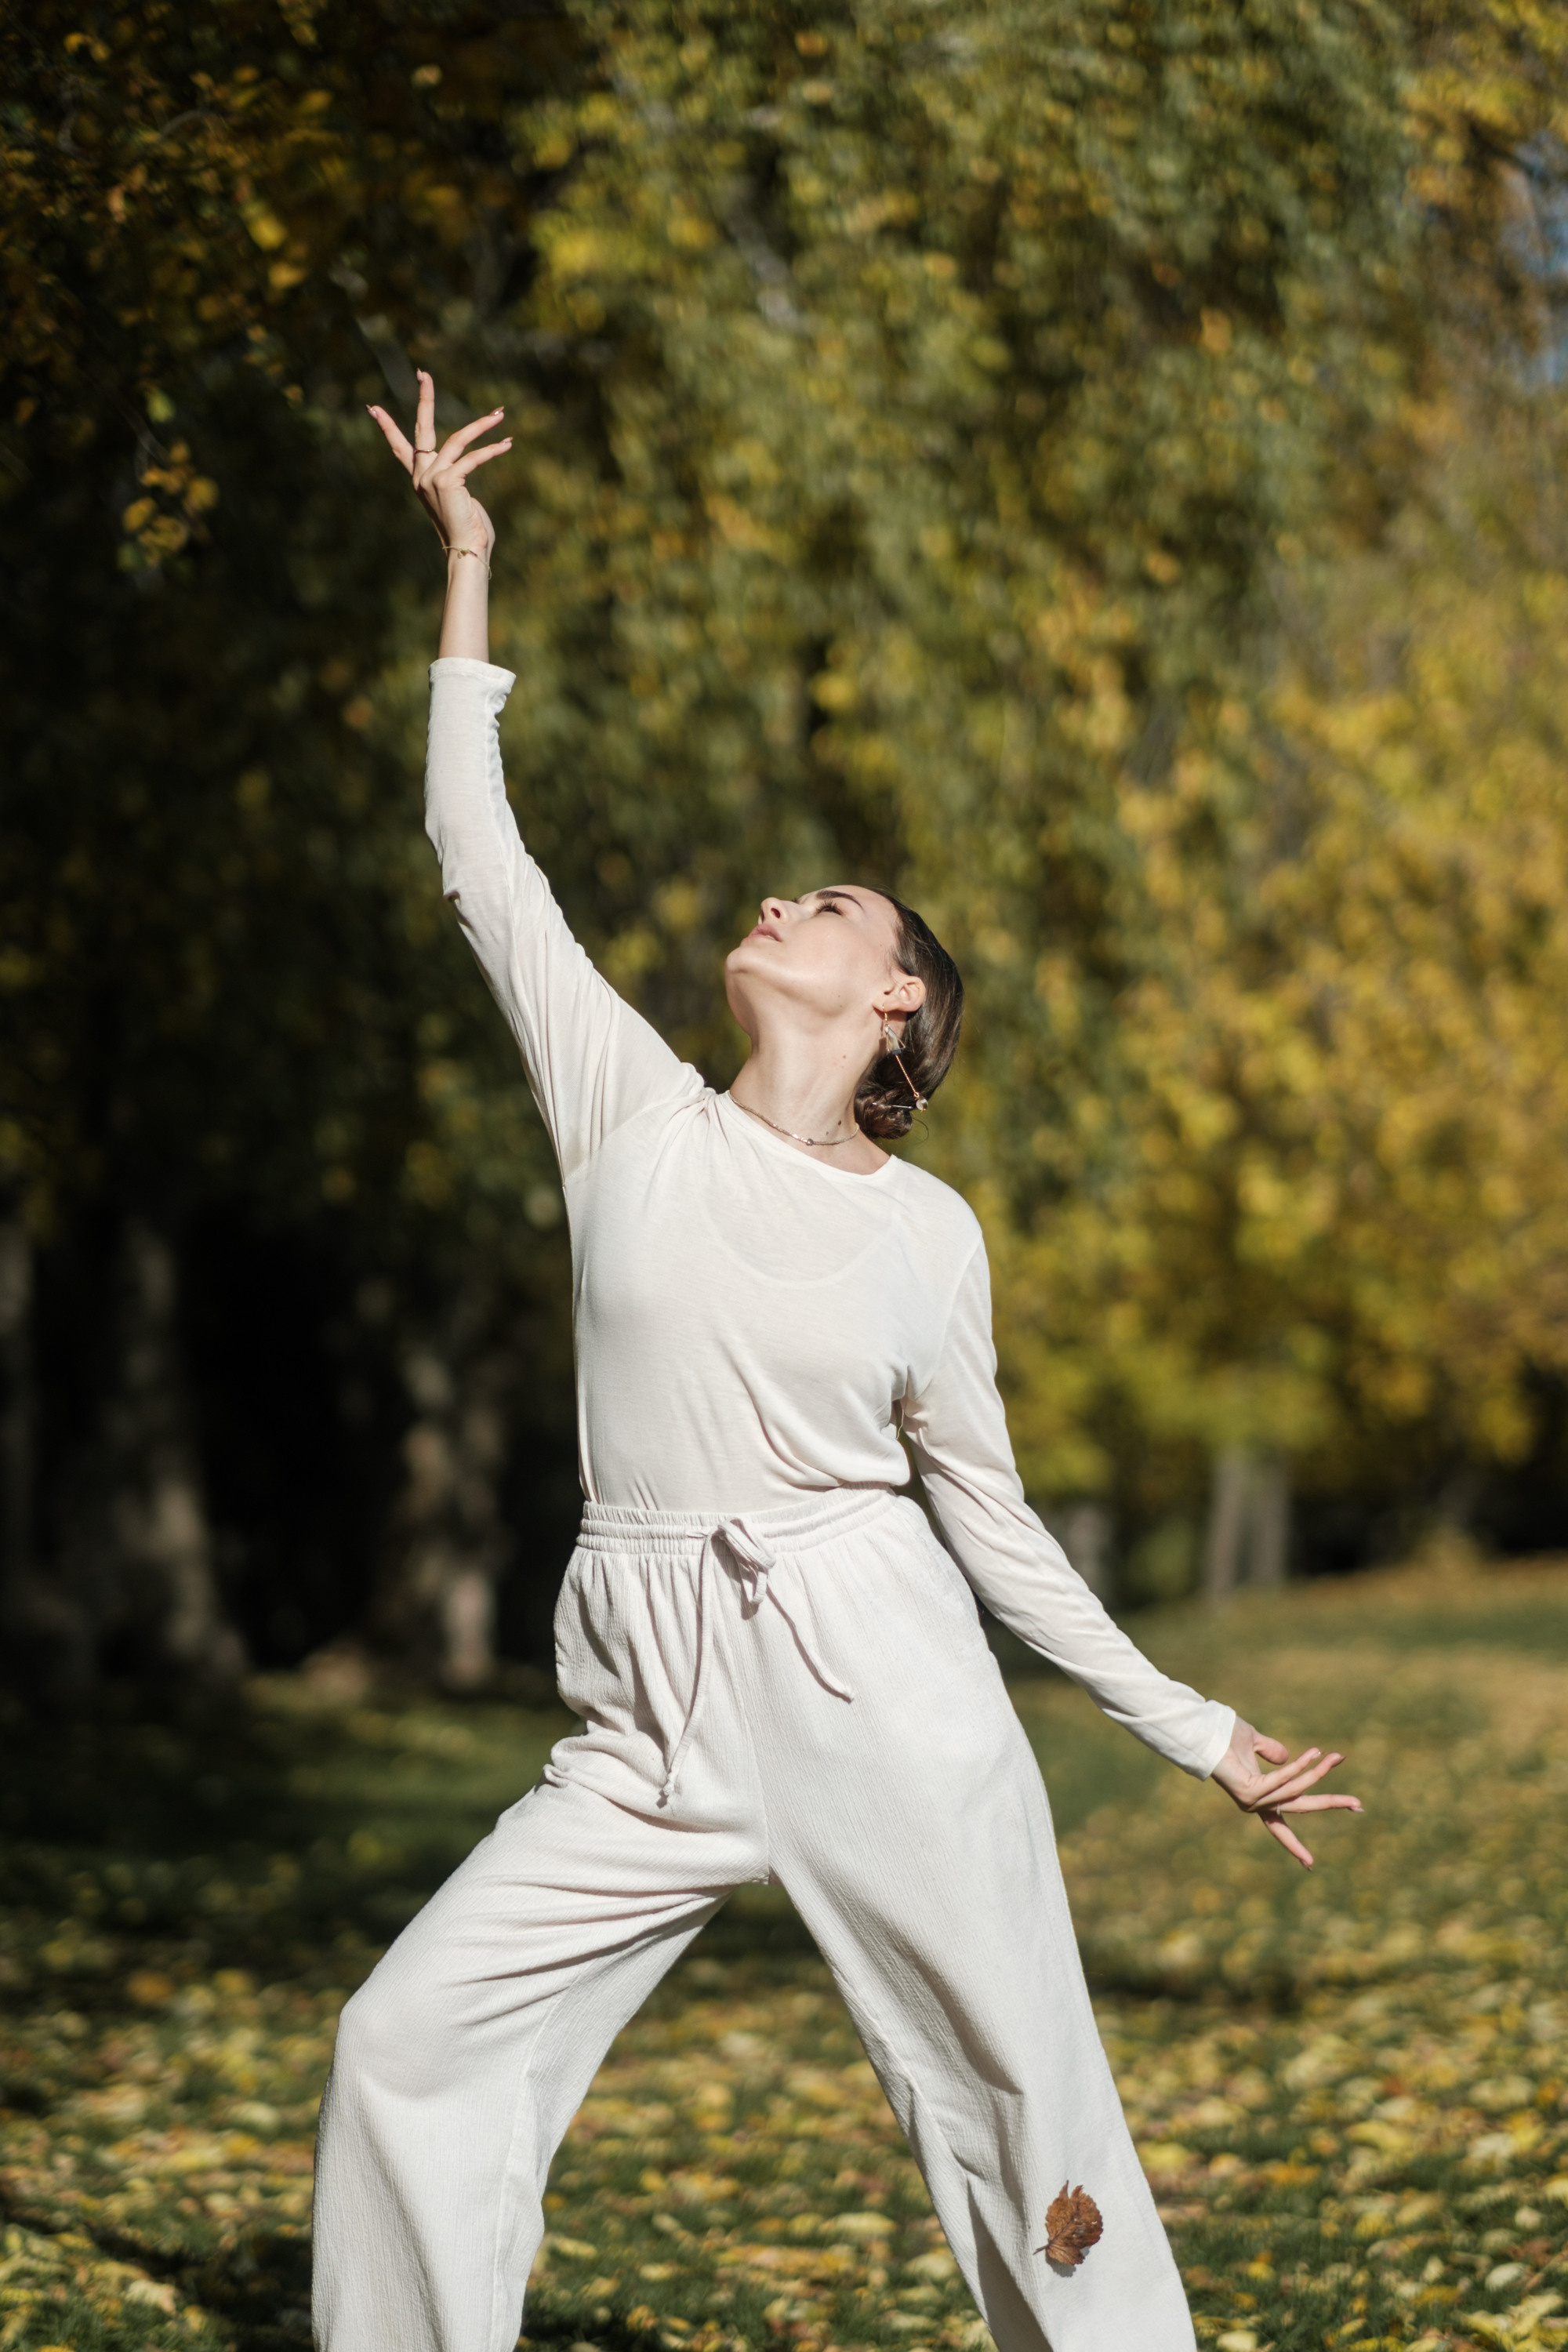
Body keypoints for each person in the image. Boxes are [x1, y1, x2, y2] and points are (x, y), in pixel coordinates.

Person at [312, 373, 1360, 2352]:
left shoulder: (919, 1233)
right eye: (786, 891)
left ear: (892, 999)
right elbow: (478, 854)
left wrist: (1194, 1728)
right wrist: (467, 569)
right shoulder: (626, 1110)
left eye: (833, 903)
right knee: (407, 2041)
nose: (780, 899)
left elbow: (992, 1522)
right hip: (644, 1703)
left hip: (876, 1682)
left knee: (1026, 2109)